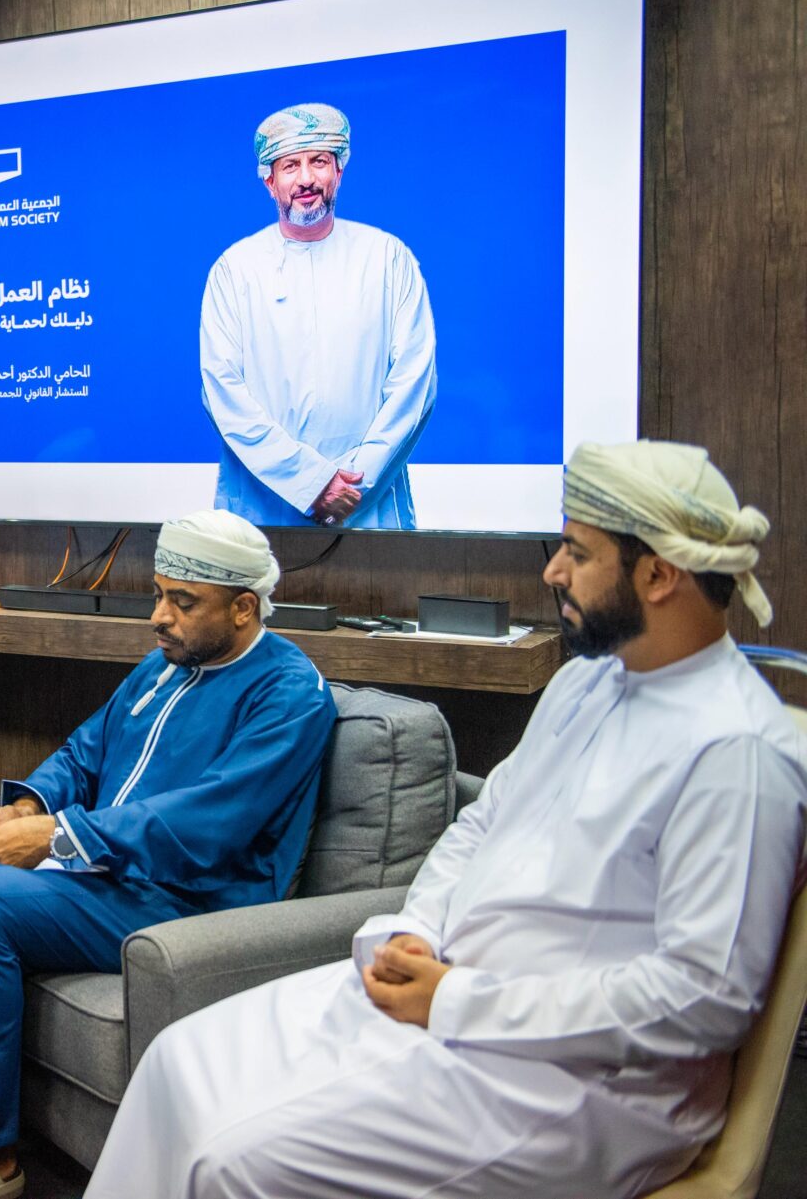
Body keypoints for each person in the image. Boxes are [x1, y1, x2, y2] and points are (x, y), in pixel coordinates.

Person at [88, 440, 807, 1199]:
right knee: (175, 1061)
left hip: (575, 1083)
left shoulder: (739, 752)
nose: (553, 572)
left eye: (576, 552)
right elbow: (479, 826)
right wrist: (417, 931)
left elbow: (700, 1000)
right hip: (441, 996)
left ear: (659, 575)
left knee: (234, 1159)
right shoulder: (587, 685)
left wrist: (458, 999)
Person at [0, 510, 337, 1199]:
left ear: (244, 607)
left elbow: (211, 821)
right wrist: (30, 805)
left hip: (187, 897)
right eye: (158, 595)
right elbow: (85, 751)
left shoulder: (290, 693)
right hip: (103, 871)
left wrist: (59, 837)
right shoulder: (166, 666)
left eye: (182, 602)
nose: (159, 617)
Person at [200, 102, 437, 529]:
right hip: (262, 509)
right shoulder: (234, 270)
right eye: (290, 165)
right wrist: (309, 483)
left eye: (320, 162)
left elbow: (414, 384)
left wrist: (352, 485)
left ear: (339, 172)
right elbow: (223, 393)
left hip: (366, 505)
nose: (306, 179)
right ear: (270, 182)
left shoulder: (388, 258)